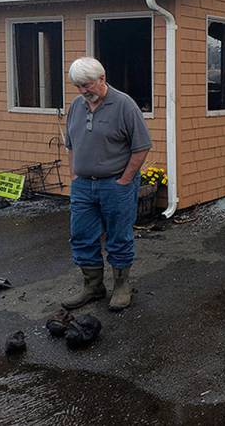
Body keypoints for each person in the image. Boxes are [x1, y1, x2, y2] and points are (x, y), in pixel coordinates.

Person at [62, 57, 151, 312]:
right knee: (81, 236)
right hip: (82, 187)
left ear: (102, 78)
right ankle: (93, 287)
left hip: (115, 185)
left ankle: (122, 287)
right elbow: (71, 145)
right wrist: (74, 175)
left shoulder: (124, 105)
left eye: (86, 85)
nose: (82, 91)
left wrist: (124, 180)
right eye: (78, 86)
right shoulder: (76, 106)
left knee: (119, 237)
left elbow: (141, 147)